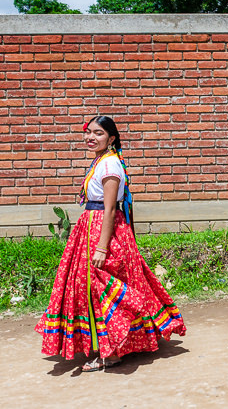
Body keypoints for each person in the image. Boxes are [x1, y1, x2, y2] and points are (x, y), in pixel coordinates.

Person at [35, 116, 186, 371]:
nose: (91, 137)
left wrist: (102, 247)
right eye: (89, 133)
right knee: (92, 289)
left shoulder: (110, 166)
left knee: (101, 289)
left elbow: (109, 210)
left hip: (103, 230)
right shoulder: (101, 161)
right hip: (90, 228)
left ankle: (112, 351)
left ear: (111, 138)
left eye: (98, 133)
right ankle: (110, 344)